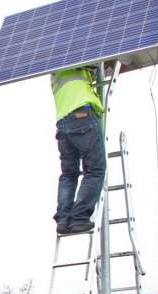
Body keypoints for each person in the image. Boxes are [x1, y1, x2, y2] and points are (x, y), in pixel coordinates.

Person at [51, 64, 106, 235]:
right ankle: (79, 217)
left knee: (68, 174)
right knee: (95, 170)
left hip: (63, 123)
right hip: (82, 117)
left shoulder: (53, 70)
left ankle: (63, 219)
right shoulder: (78, 58)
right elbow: (97, 61)